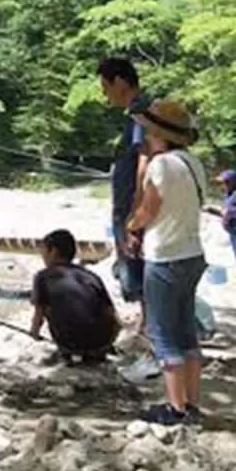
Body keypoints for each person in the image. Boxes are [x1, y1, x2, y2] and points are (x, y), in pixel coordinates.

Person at [124, 98, 207, 426]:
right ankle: (192, 404)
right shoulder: (193, 162)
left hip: (165, 258)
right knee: (186, 333)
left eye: (147, 129)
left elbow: (149, 210)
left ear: (157, 132)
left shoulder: (161, 166)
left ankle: (175, 409)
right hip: (192, 256)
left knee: (163, 335)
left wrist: (130, 226)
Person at [97, 58, 150, 314]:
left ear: (119, 82)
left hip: (131, 206)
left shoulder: (140, 112)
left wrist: (135, 213)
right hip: (130, 204)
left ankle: (149, 324)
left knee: (136, 262)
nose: (105, 95)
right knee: (136, 263)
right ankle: (148, 321)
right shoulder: (139, 111)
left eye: (105, 87)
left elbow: (144, 158)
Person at [30, 229, 120, 364]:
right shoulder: (91, 276)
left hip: (70, 343)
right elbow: (112, 315)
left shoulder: (42, 277)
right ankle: (94, 351)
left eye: (43, 252)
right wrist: (108, 341)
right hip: (102, 342)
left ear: (53, 251)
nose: (42, 257)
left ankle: (70, 350)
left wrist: (34, 333)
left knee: (48, 305)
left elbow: (38, 316)